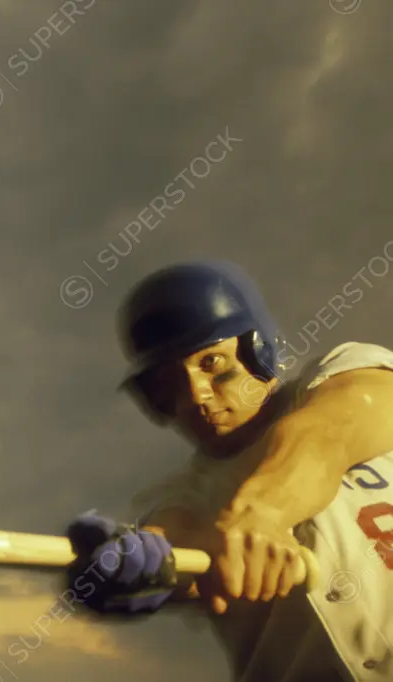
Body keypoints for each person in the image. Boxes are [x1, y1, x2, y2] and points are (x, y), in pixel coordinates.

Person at [64, 260, 393, 682]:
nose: (196, 396)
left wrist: (265, 512)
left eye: (212, 361)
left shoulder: (344, 373)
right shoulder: (179, 495)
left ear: (259, 349)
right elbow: (171, 541)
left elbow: (330, 433)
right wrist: (133, 569)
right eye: (168, 381)